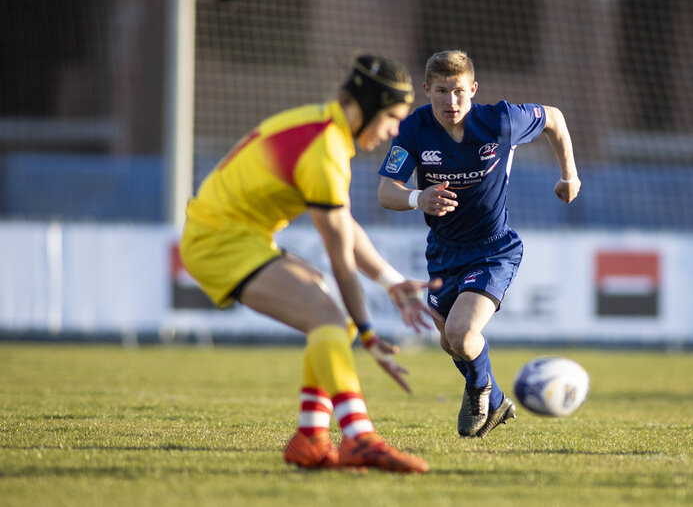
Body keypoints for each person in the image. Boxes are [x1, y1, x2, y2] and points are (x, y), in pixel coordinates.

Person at [180, 54, 442, 473]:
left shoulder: (324, 128)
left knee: (337, 320)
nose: (395, 129)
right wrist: (372, 335)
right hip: (219, 242)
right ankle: (359, 438)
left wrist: (391, 282)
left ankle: (310, 438)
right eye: (392, 116)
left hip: (233, 236)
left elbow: (344, 226)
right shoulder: (325, 150)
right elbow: (340, 257)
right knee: (332, 319)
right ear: (369, 106)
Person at [377, 50, 580, 438]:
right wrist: (418, 197)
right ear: (426, 90)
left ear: (473, 89)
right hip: (443, 250)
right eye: (440, 91)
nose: (450, 102)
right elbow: (387, 191)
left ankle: (479, 390)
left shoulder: (501, 121)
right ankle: (498, 398)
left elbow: (553, 117)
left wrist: (569, 175)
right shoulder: (414, 129)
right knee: (450, 342)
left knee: (463, 334)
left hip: (493, 248)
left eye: (458, 92)